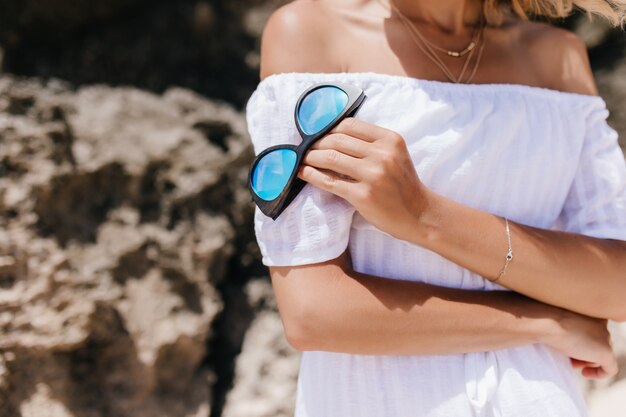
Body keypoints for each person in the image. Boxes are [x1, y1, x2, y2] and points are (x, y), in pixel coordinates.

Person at [245, 0, 626, 415]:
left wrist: (425, 216)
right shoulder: (311, 32)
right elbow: (315, 313)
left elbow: (616, 287)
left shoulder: (557, 58)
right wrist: (548, 322)